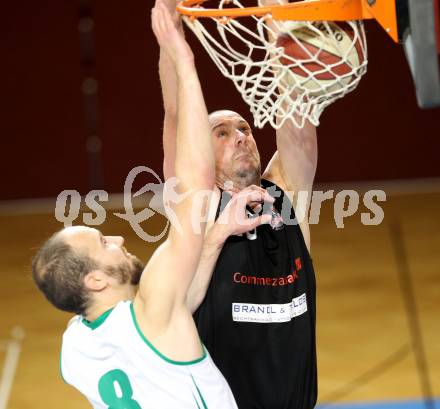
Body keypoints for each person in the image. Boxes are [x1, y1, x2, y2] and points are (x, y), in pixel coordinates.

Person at [31, 2, 266, 407]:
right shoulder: (153, 306)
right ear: (96, 281)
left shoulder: (75, 350)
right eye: (103, 242)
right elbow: (194, 182)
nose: (118, 237)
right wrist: (184, 60)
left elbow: (182, 302)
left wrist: (215, 238)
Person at [160, 1, 318, 408]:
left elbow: (298, 126)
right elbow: (177, 117)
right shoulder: (196, 208)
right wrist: (171, 38)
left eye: (244, 127)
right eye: (222, 132)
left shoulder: (287, 196)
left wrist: (281, 23)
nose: (241, 136)